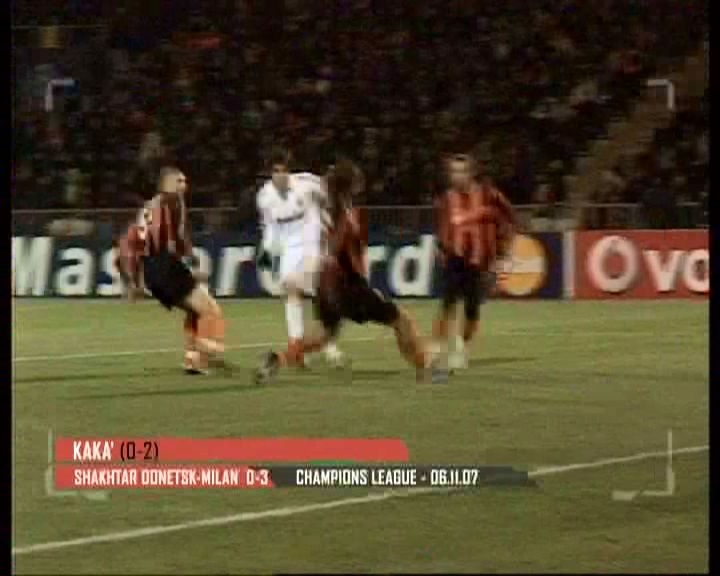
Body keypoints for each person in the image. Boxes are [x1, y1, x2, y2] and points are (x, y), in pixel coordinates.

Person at [254, 158, 442, 385]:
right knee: (401, 320)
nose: (360, 187)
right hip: (347, 286)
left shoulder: (323, 207)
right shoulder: (341, 212)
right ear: (349, 185)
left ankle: (278, 359)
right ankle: (426, 369)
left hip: (325, 287)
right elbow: (335, 248)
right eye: (357, 182)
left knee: (324, 335)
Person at [115, 167, 227, 374]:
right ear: (166, 183)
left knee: (194, 311)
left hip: (151, 273)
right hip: (165, 264)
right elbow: (179, 236)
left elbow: (127, 243)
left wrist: (132, 280)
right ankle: (207, 350)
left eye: (185, 181)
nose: (184, 186)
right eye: (179, 181)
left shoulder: (147, 207)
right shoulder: (173, 201)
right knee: (210, 309)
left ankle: (192, 359)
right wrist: (189, 256)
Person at [255, 148, 344, 368]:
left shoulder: (307, 182)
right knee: (292, 289)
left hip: (313, 241)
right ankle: (298, 346)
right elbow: (270, 228)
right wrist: (266, 252)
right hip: (290, 248)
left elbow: (329, 196)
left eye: (284, 170)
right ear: (270, 174)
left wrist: (329, 220)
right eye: (276, 171)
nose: (280, 175)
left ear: (289, 171)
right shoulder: (264, 197)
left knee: (318, 293)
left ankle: (325, 343)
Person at [431, 154, 514, 371]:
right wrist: (441, 247)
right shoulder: (447, 198)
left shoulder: (489, 194)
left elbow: (508, 216)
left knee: (471, 310)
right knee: (447, 304)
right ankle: (436, 350)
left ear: (471, 173)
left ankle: (461, 347)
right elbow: (443, 226)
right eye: (453, 172)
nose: (456, 176)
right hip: (454, 257)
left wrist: (503, 250)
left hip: (479, 261)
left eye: (461, 171)